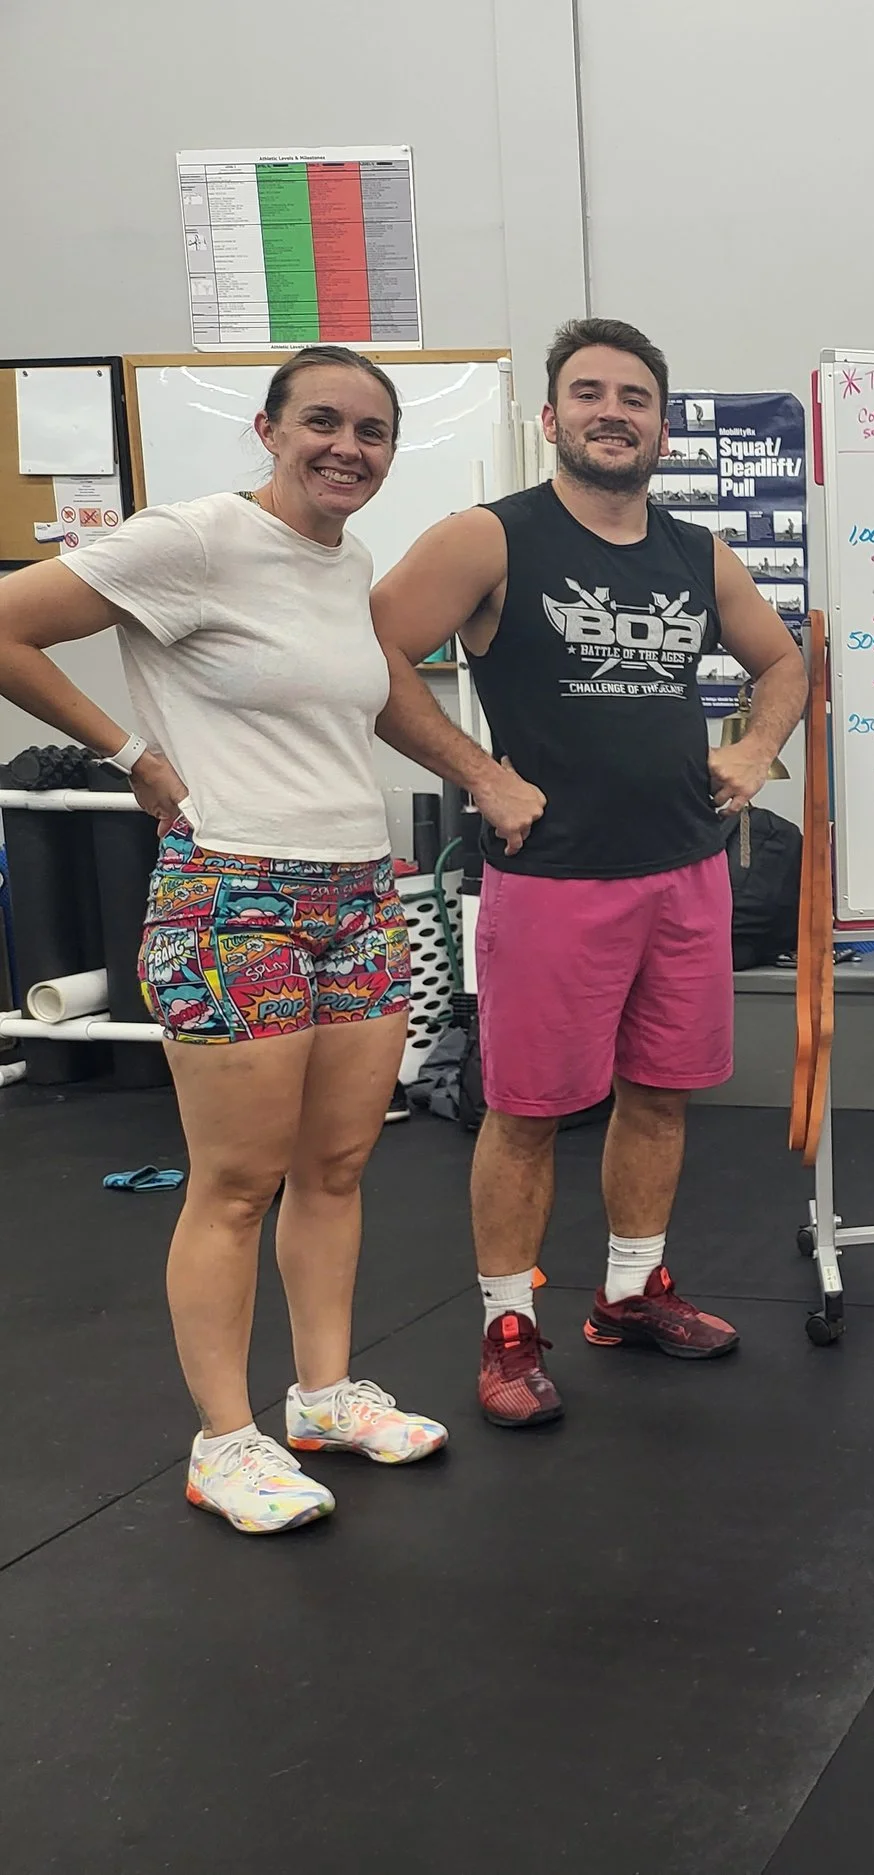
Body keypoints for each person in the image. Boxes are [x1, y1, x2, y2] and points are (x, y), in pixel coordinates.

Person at [0, 346, 447, 1534]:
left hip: (356, 894)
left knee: (339, 1165)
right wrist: (128, 755)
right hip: (229, 894)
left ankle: (321, 1394)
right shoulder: (192, 540)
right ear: (268, 428)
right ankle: (224, 1440)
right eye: (322, 423)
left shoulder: (347, 565)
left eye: (372, 430)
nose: (348, 447)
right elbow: (6, 627)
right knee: (238, 1183)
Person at [370, 318, 805, 1427]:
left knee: (660, 1095)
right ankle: (508, 1328)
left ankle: (629, 1291)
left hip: (684, 870)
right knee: (526, 1111)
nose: (613, 412)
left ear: (661, 424)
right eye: (590, 393)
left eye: (635, 398)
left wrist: (755, 749)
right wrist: (480, 773)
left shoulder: (694, 551)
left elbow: (783, 660)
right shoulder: (489, 539)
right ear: (553, 416)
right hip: (553, 878)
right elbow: (367, 660)